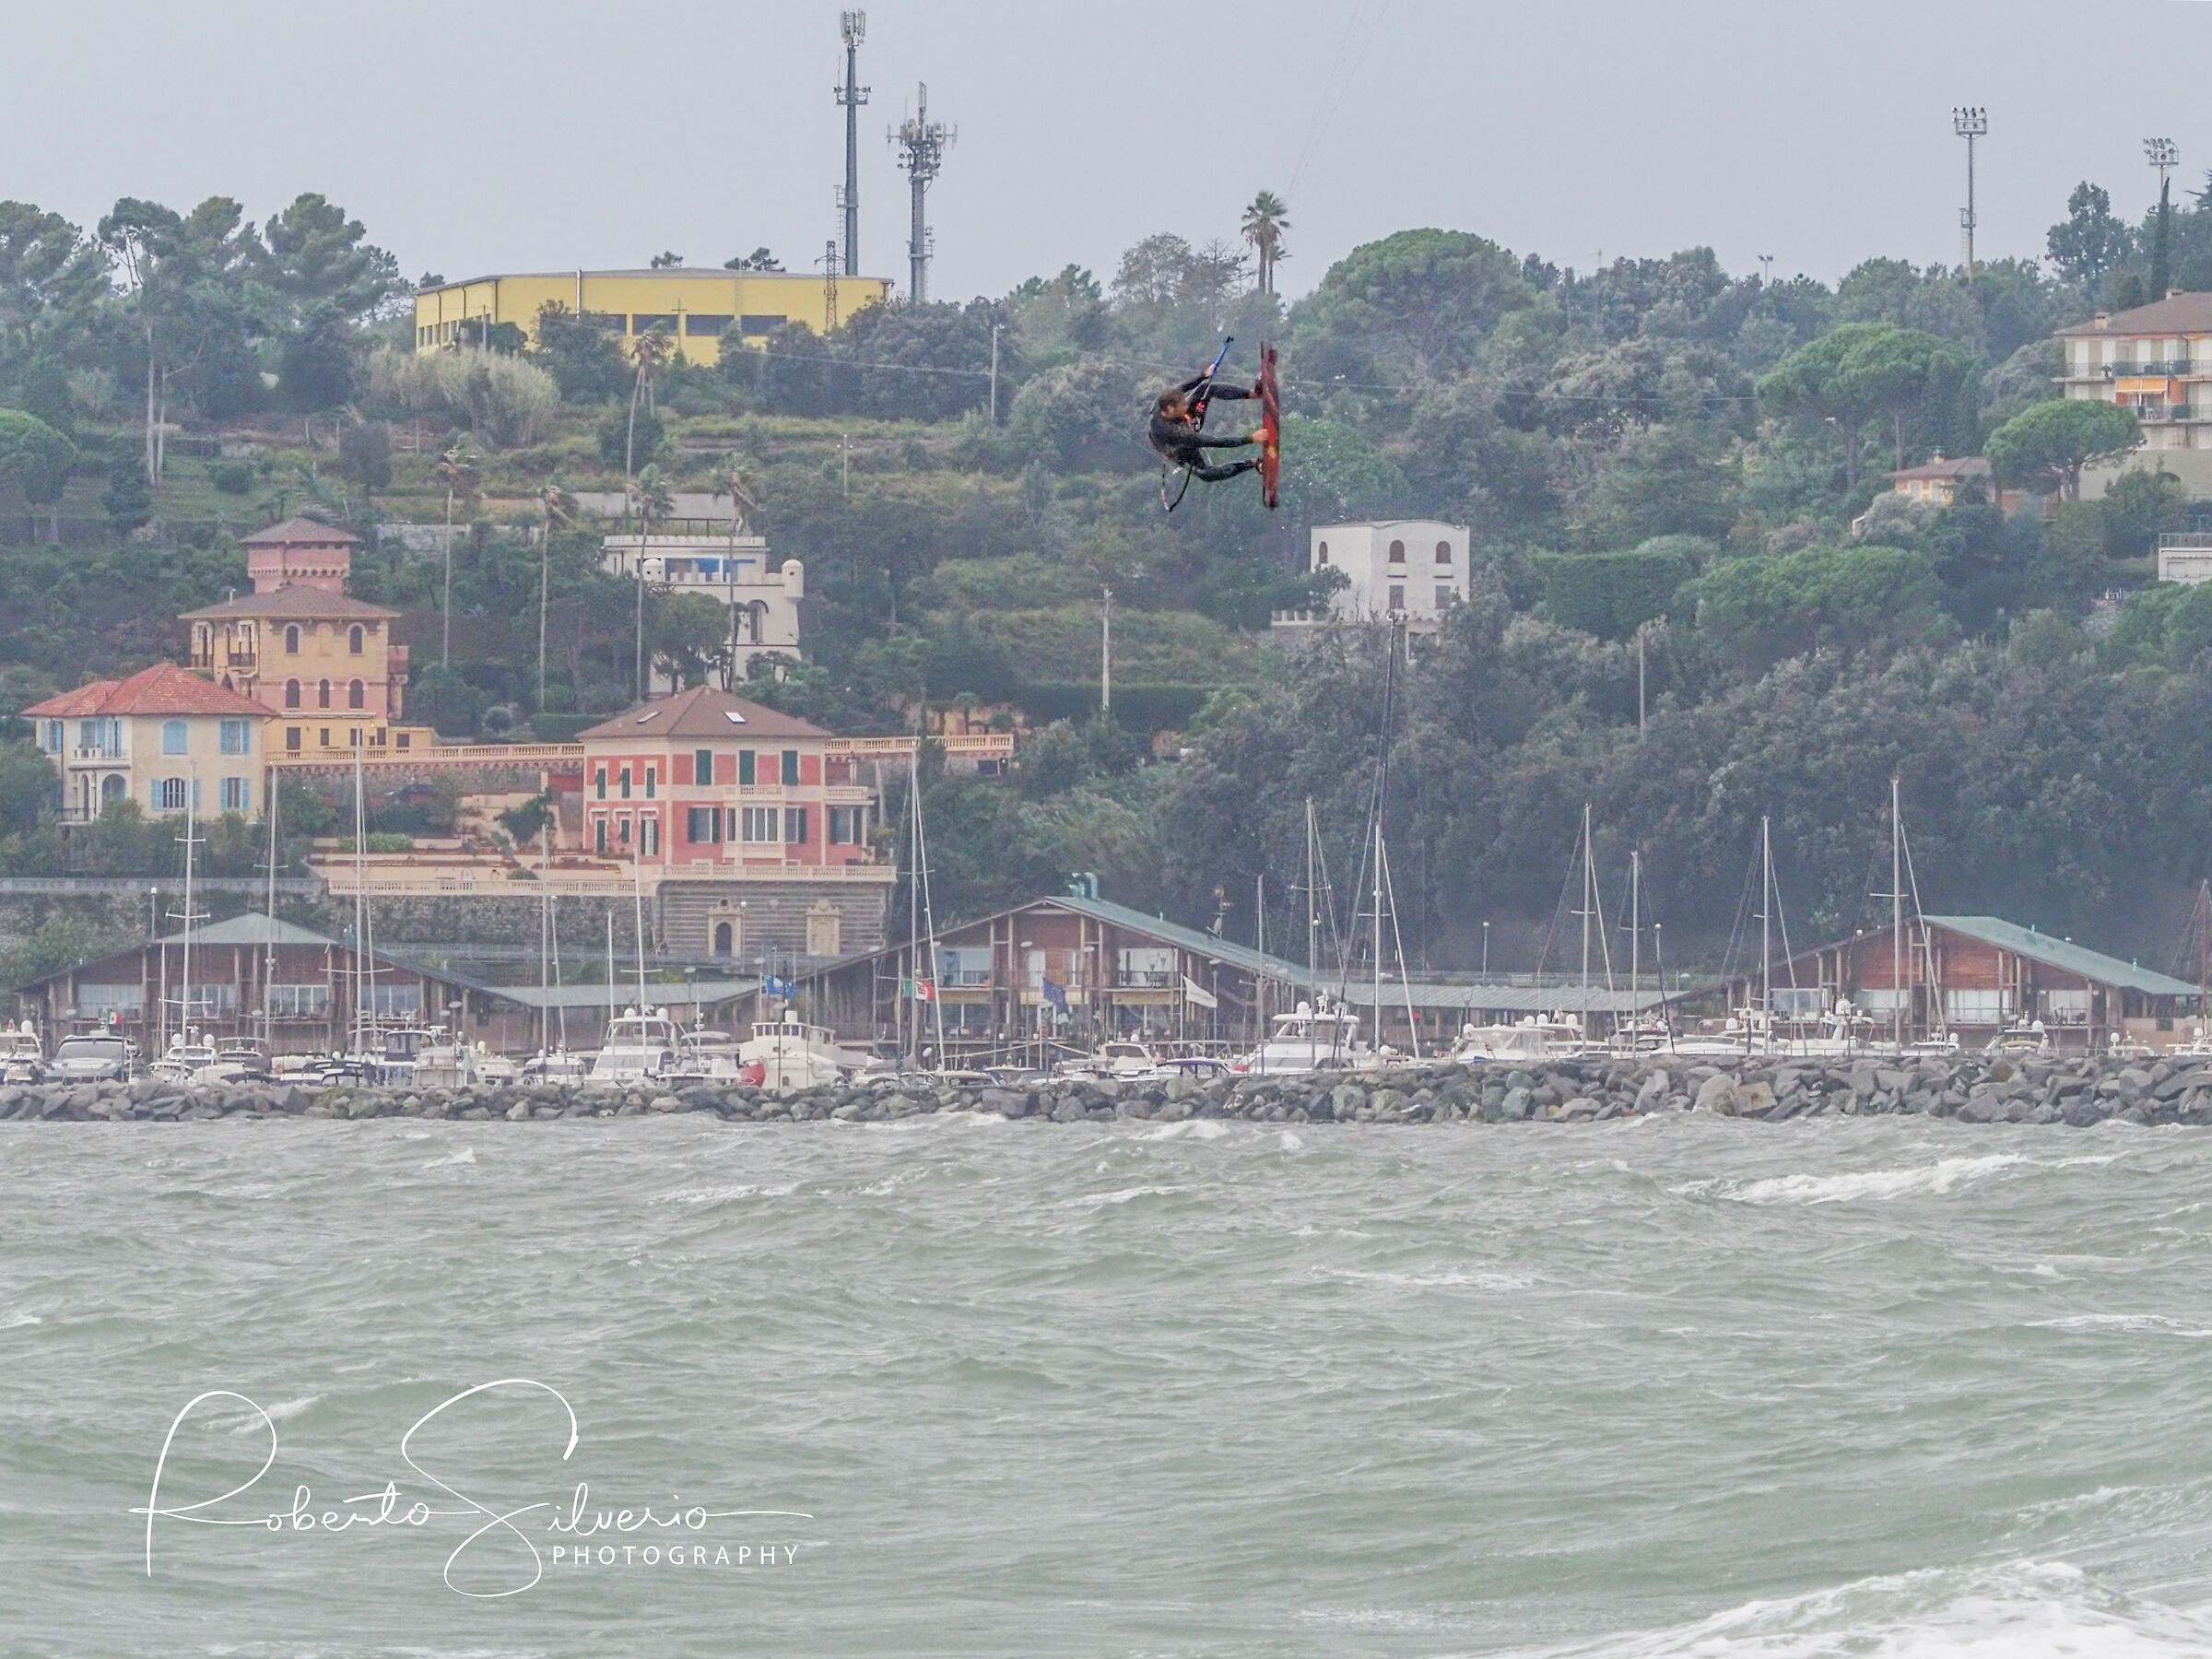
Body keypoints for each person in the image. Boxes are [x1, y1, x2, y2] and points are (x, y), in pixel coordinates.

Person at [1147, 370, 1266, 483]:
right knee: (1206, 474)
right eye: (1183, 405)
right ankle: (1253, 463)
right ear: (1170, 409)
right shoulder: (1175, 432)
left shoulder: (1163, 402)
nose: (1186, 406)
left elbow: (1182, 387)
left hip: (1183, 422)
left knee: (1204, 389)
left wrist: (1203, 375)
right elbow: (1214, 442)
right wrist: (1250, 439)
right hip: (1179, 449)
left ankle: (1254, 394)